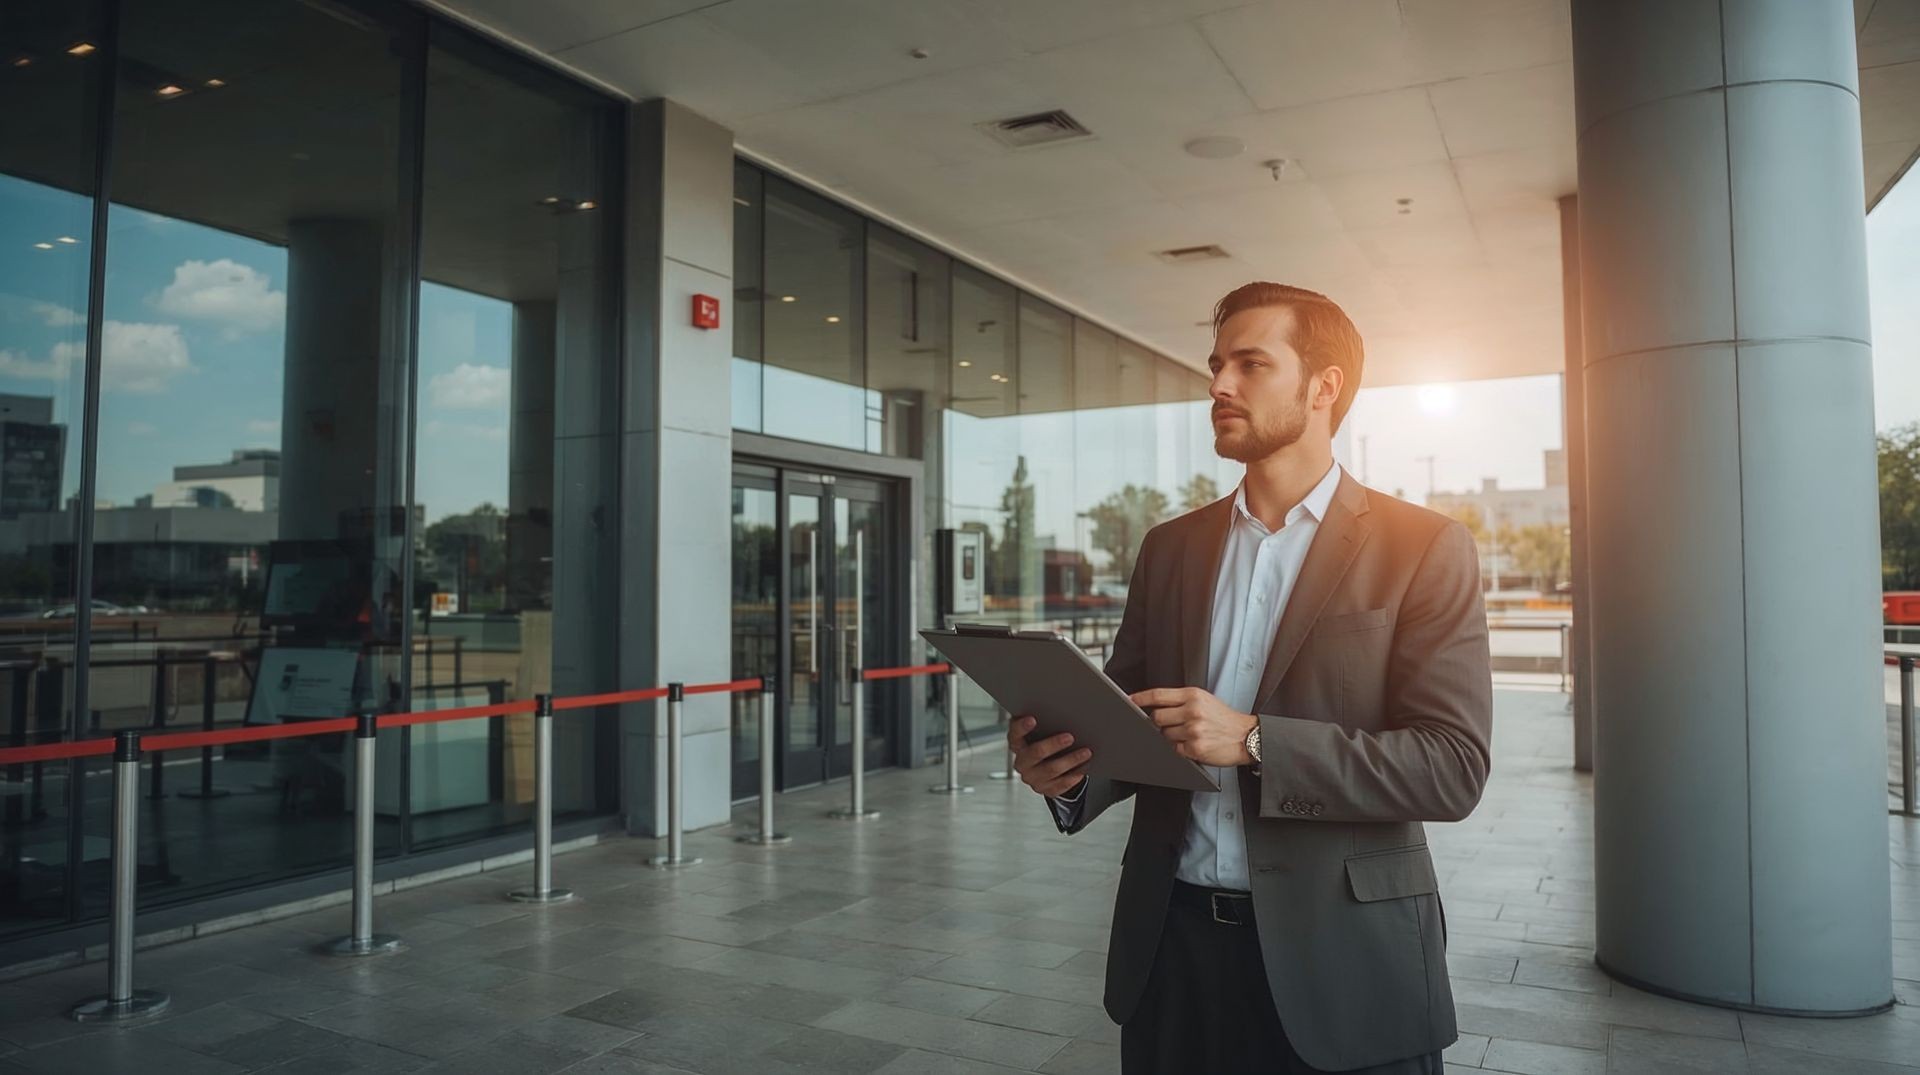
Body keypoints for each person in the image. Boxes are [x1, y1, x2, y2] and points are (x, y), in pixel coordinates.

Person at [1010, 282, 1493, 1074]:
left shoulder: (1424, 548)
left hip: (1347, 967)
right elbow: (1125, 723)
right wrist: (1064, 770)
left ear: (1323, 386)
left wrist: (1257, 740)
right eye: (1215, 364)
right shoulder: (1170, 549)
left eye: (1250, 363)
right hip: (1171, 955)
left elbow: (1452, 766)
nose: (1218, 385)